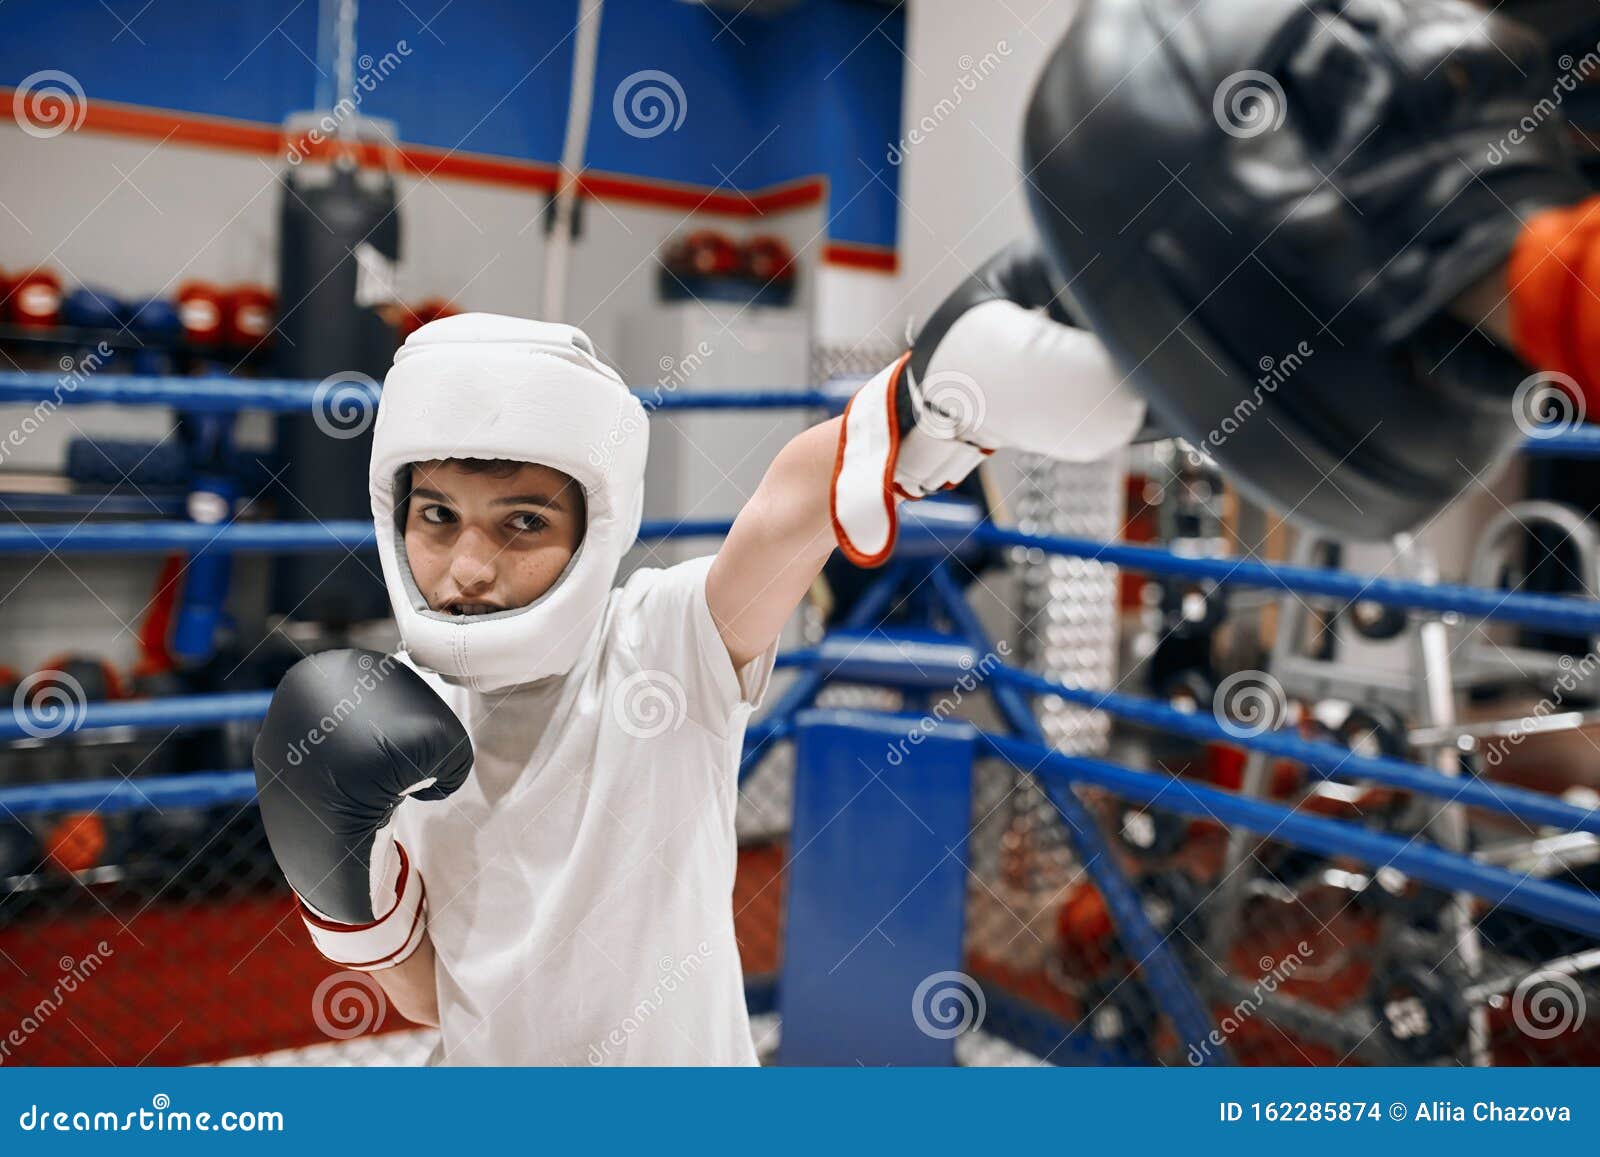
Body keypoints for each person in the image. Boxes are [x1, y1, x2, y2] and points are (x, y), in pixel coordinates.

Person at [253, 307, 1095, 1064]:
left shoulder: (660, 645)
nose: (468, 569)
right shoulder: (394, 712)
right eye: (437, 515)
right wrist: (342, 894)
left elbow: (784, 509)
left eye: (523, 522)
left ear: (597, 523)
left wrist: (933, 400)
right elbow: (434, 996)